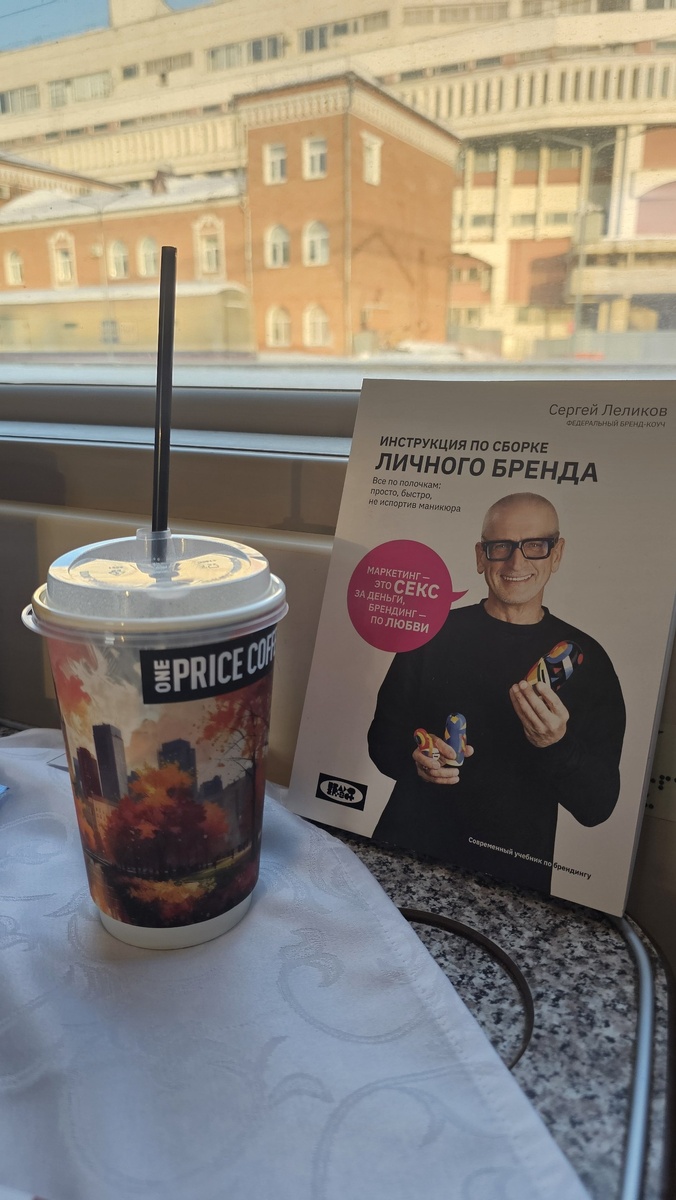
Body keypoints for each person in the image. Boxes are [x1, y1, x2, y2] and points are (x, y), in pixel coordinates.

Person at [367, 492, 626, 892]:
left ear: (557, 554)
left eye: (535, 546)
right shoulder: (431, 634)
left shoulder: (587, 660)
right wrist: (416, 757)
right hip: (406, 852)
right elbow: (381, 745)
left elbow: (597, 807)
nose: (516, 563)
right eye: (501, 546)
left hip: (511, 878)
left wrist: (556, 744)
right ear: (480, 556)